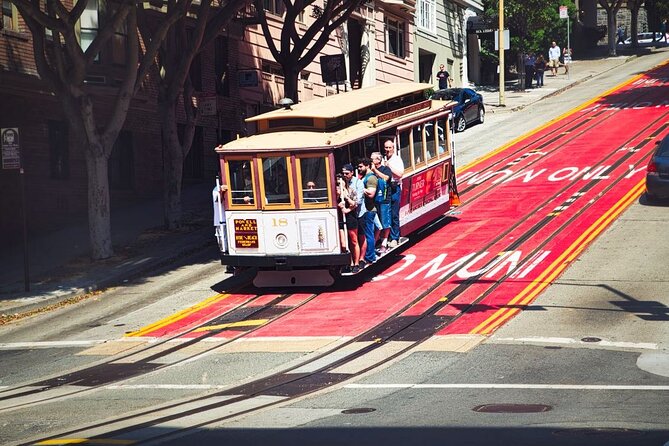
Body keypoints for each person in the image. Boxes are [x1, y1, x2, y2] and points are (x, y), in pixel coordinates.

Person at [342, 163, 365, 269]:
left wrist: (347, 209)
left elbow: (357, 202)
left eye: (347, 173)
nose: (345, 175)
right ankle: (352, 261)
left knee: (361, 237)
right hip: (350, 214)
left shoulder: (358, 183)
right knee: (351, 239)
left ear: (352, 173)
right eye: (343, 173)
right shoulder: (342, 183)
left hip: (359, 213)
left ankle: (361, 259)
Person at [336, 172, 360, 272]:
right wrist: (338, 201)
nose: (338, 185)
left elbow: (355, 203)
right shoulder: (335, 192)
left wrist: (345, 197)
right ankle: (349, 263)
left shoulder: (351, 191)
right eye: (337, 184)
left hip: (350, 217)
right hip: (341, 219)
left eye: (340, 183)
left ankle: (356, 263)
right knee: (343, 243)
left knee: (354, 241)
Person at [383, 139, 404, 248]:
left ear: (393, 148)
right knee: (387, 213)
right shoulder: (383, 159)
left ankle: (395, 237)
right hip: (386, 188)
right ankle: (387, 237)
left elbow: (400, 174)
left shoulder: (396, 159)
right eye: (386, 147)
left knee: (394, 214)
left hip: (395, 188)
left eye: (389, 147)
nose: (388, 150)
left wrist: (389, 167)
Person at [370, 151, 392, 253]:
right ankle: (375, 242)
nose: (371, 161)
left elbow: (387, 178)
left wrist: (375, 170)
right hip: (373, 200)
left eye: (372, 159)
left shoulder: (385, 169)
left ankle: (384, 243)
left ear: (378, 160)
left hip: (383, 199)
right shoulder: (369, 171)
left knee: (385, 221)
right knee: (377, 223)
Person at [358, 158, 377, 265]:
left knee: (369, 234)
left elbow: (371, 194)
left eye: (361, 166)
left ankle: (370, 257)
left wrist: (360, 188)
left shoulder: (371, 178)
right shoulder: (365, 177)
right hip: (368, 210)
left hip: (369, 210)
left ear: (367, 166)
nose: (359, 169)